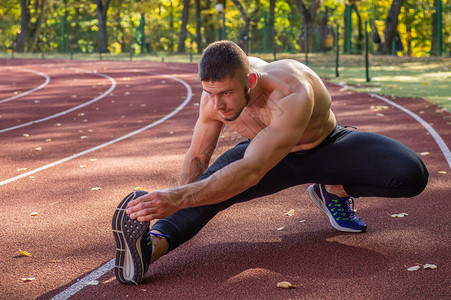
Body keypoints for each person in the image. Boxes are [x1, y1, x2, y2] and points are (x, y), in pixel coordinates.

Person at [112, 40, 428, 285]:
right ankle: (148, 250)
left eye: (225, 94)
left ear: (250, 80)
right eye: (210, 93)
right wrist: (177, 199)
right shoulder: (213, 100)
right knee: (207, 189)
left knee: (410, 173)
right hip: (268, 154)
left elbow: (251, 171)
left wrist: (177, 197)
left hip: (327, 147)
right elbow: (197, 157)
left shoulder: (291, 90)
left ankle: (335, 190)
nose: (217, 105)